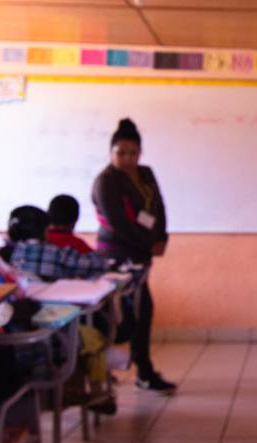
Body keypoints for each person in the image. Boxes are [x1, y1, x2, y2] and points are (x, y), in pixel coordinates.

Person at [91, 118, 175, 394]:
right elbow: (119, 223)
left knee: (141, 312)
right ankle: (121, 367)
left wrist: (162, 238)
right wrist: (149, 244)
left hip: (142, 254)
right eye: (121, 153)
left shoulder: (146, 174)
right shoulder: (106, 181)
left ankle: (141, 371)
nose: (127, 159)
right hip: (118, 254)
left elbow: (158, 206)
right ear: (111, 152)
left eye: (133, 153)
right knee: (129, 318)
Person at [6, 205, 107, 280]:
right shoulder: (56, 253)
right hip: (54, 300)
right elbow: (98, 265)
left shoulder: (9, 253)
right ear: (44, 230)